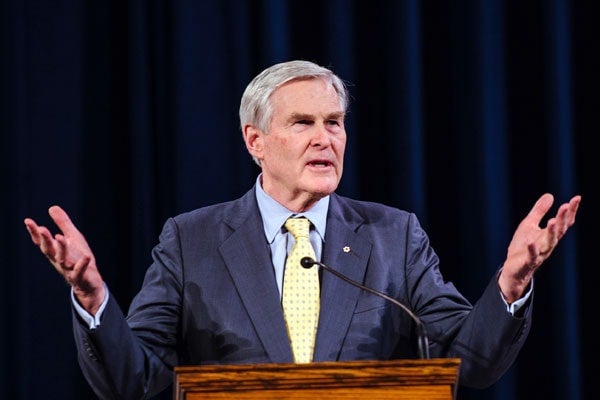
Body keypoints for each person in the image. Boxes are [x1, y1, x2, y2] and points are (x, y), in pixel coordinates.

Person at [24, 60, 581, 400]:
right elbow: (133, 380)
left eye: (334, 122)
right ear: (256, 141)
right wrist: (93, 299)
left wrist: (510, 285)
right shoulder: (191, 241)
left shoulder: (393, 235)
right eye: (303, 123)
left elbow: (470, 363)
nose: (325, 138)